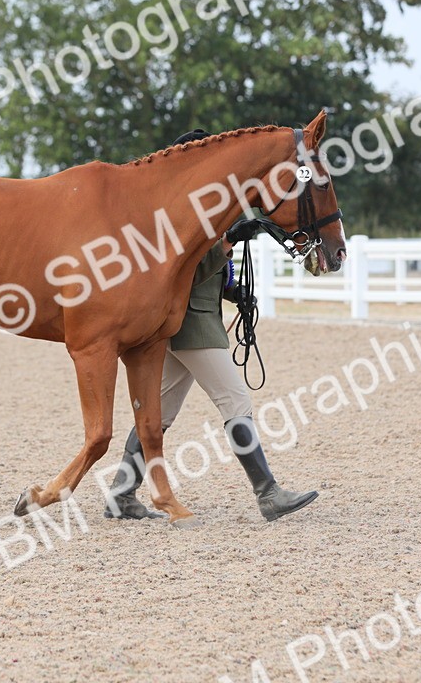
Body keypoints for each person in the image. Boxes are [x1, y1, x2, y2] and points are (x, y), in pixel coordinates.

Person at [103, 132, 319, 523]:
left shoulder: (206, 212)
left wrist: (235, 291)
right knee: (235, 401)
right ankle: (268, 493)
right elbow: (187, 268)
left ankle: (120, 494)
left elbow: (210, 274)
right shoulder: (181, 216)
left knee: (159, 413)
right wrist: (226, 244)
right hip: (193, 327)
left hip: (194, 323)